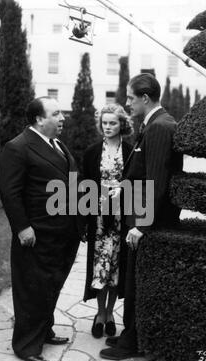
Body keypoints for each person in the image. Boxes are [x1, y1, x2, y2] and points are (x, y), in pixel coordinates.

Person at [100, 73, 183, 360]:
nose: (127, 102)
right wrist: (122, 191)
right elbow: (142, 173)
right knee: (133, 281)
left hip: (147, 221)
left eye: (130, 97)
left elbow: (157, 181)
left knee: (138, 284)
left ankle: (132, 343)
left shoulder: (160, 127)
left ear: (145, 98)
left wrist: (143, 226)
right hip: (139, 214)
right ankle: (128, 335)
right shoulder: (155, 124)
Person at [0, 97, 82, 361]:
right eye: (56, 113)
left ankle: (43, 331)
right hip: (36, 234)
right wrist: (22, 228)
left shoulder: (57, 145)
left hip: (61, 233)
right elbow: (10, 193)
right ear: (39, 119)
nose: (62, 118)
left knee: (51, 286)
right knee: (32, 290)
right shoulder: (18, 147)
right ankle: (25, 345)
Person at [83, 104, 133, 338]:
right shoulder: (92, 152)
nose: (108, 127)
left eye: (112, 122)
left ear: (121, 124)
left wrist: (123, 190)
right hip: (99, 220)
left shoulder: (131, 151)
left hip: (121, 219)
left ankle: (111, 314)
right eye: (104, 123)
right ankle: (100, 314)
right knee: (99, 268)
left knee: (115, 268)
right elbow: (85, 188)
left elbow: (136, 183)